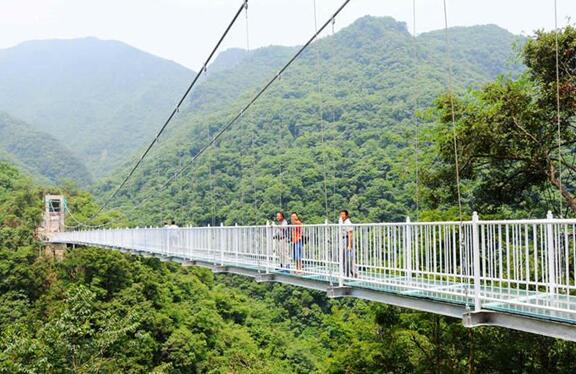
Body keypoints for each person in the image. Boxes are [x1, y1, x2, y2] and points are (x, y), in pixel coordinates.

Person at [339, 210, 355, 278]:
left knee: (348, 257)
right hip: (343, 239)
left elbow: (350, 233)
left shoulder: (348, 222)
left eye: (343, 214)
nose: (342, 216)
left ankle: (351, 272)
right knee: (343, 257)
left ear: (346, 215)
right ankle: (346, 272)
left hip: (346, 239)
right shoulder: (342, 221)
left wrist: (349, 245)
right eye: (341, 214)